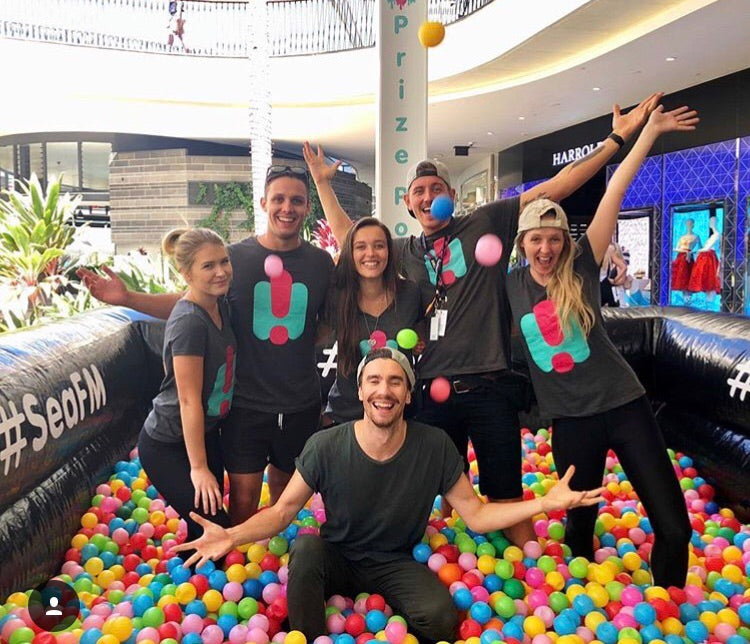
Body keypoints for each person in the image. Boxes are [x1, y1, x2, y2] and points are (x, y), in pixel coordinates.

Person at [304, 92, 664, 545]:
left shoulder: (487, 221)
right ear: (410, 205)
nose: (428, 196)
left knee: (507, 493)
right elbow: (352, 241)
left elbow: (557, 186)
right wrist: (322, 185)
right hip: (432, 394)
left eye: (437, 189)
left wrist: (617, 138)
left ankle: (533, 567)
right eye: (419, 192)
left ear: (451, 197)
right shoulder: (405, 253)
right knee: (431, 490)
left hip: (489, 387)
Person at [173, 347, 604, 641]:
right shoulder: (326, 445)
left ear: (408, 394)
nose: (384, 391)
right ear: (360, 391)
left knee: (440, 620)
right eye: (374, 381)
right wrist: (232, 536)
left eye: (395, 382)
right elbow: (284, 511)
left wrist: (544, 504)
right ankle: (309, 635)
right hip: (339, 554)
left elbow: (474, 514)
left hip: (397, 561)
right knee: (305, 549)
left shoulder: (434, 445)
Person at [505, 104, 699, 587]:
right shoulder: (506, 286)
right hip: (571, 423)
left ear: (564, 242)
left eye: (553, 239)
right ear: (523, 244)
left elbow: (615, 190)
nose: (546, 249)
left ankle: (669, 603)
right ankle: (579, 609)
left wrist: (646, 132)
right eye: (536, 240)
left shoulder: (582, 268)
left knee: (675, 527)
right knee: (579, 530)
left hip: (626, 406)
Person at [78, 166, 334, 524]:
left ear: (308, 208)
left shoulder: (321, 263)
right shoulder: (233, 259)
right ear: (263, 203)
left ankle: (274, 553)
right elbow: (189, 303)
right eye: (278, 199)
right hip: (246, 405)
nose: (286, 208)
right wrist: (129, 299)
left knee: (285, 491)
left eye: (296, 200)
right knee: (242, 500)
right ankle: (239, 565)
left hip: (300, 401)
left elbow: (332, 319)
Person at [137, 227, 235, 541]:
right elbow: (188, 400)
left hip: (205, 434)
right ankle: (194, 588)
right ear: (186, 274)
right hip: (168, 443)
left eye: (224, 261)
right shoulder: (190, 322)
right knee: (215, 528)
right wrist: (198, 468)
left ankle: (201, 583)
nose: (220, 272)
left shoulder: (219, 304)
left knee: (208, 528)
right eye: (208, 266)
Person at [322, 216, 423, 424]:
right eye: (360, 247)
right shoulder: (336, 296)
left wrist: (420, 343)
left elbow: (422, 335)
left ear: (390, 251)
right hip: (347, 414)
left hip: (399, 413)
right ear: (350, 253)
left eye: (379, 246)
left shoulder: (410, 294)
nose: (371, 254)